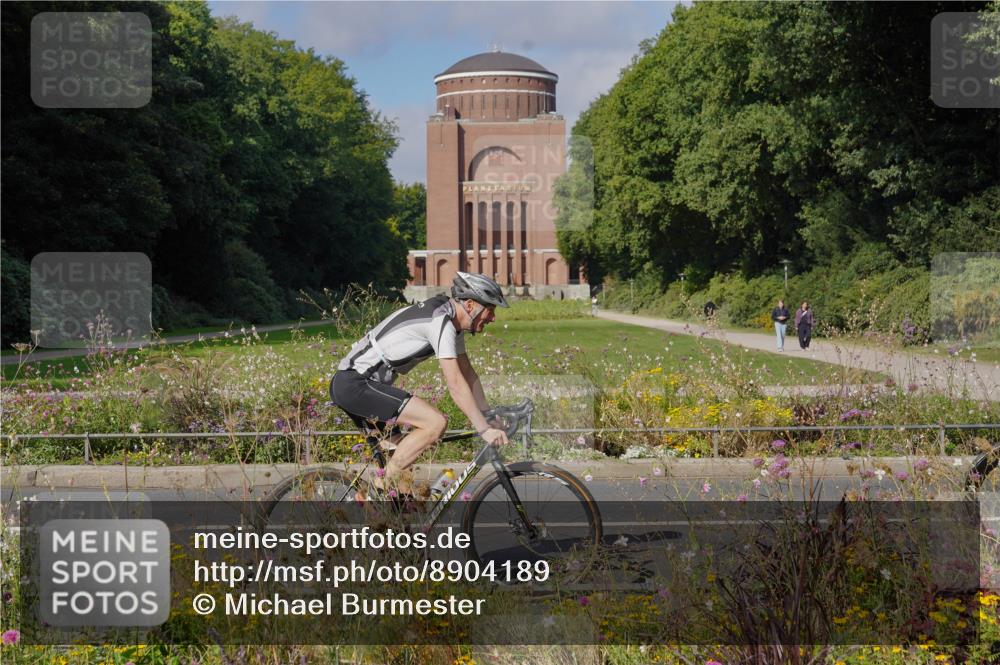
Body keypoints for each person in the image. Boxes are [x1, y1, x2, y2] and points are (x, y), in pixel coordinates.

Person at [330, 272, 510, 496]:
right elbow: (455, 383)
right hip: (355, 384)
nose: (493, 317)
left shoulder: (451, 323)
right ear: (471, 305)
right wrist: (483, 429)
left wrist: (487, 414)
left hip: (363, 386)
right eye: (490, 309)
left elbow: (468, 374)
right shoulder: (440, 321)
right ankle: (379, 488)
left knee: (404, 470)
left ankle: (381, 507)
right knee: (435, 423)